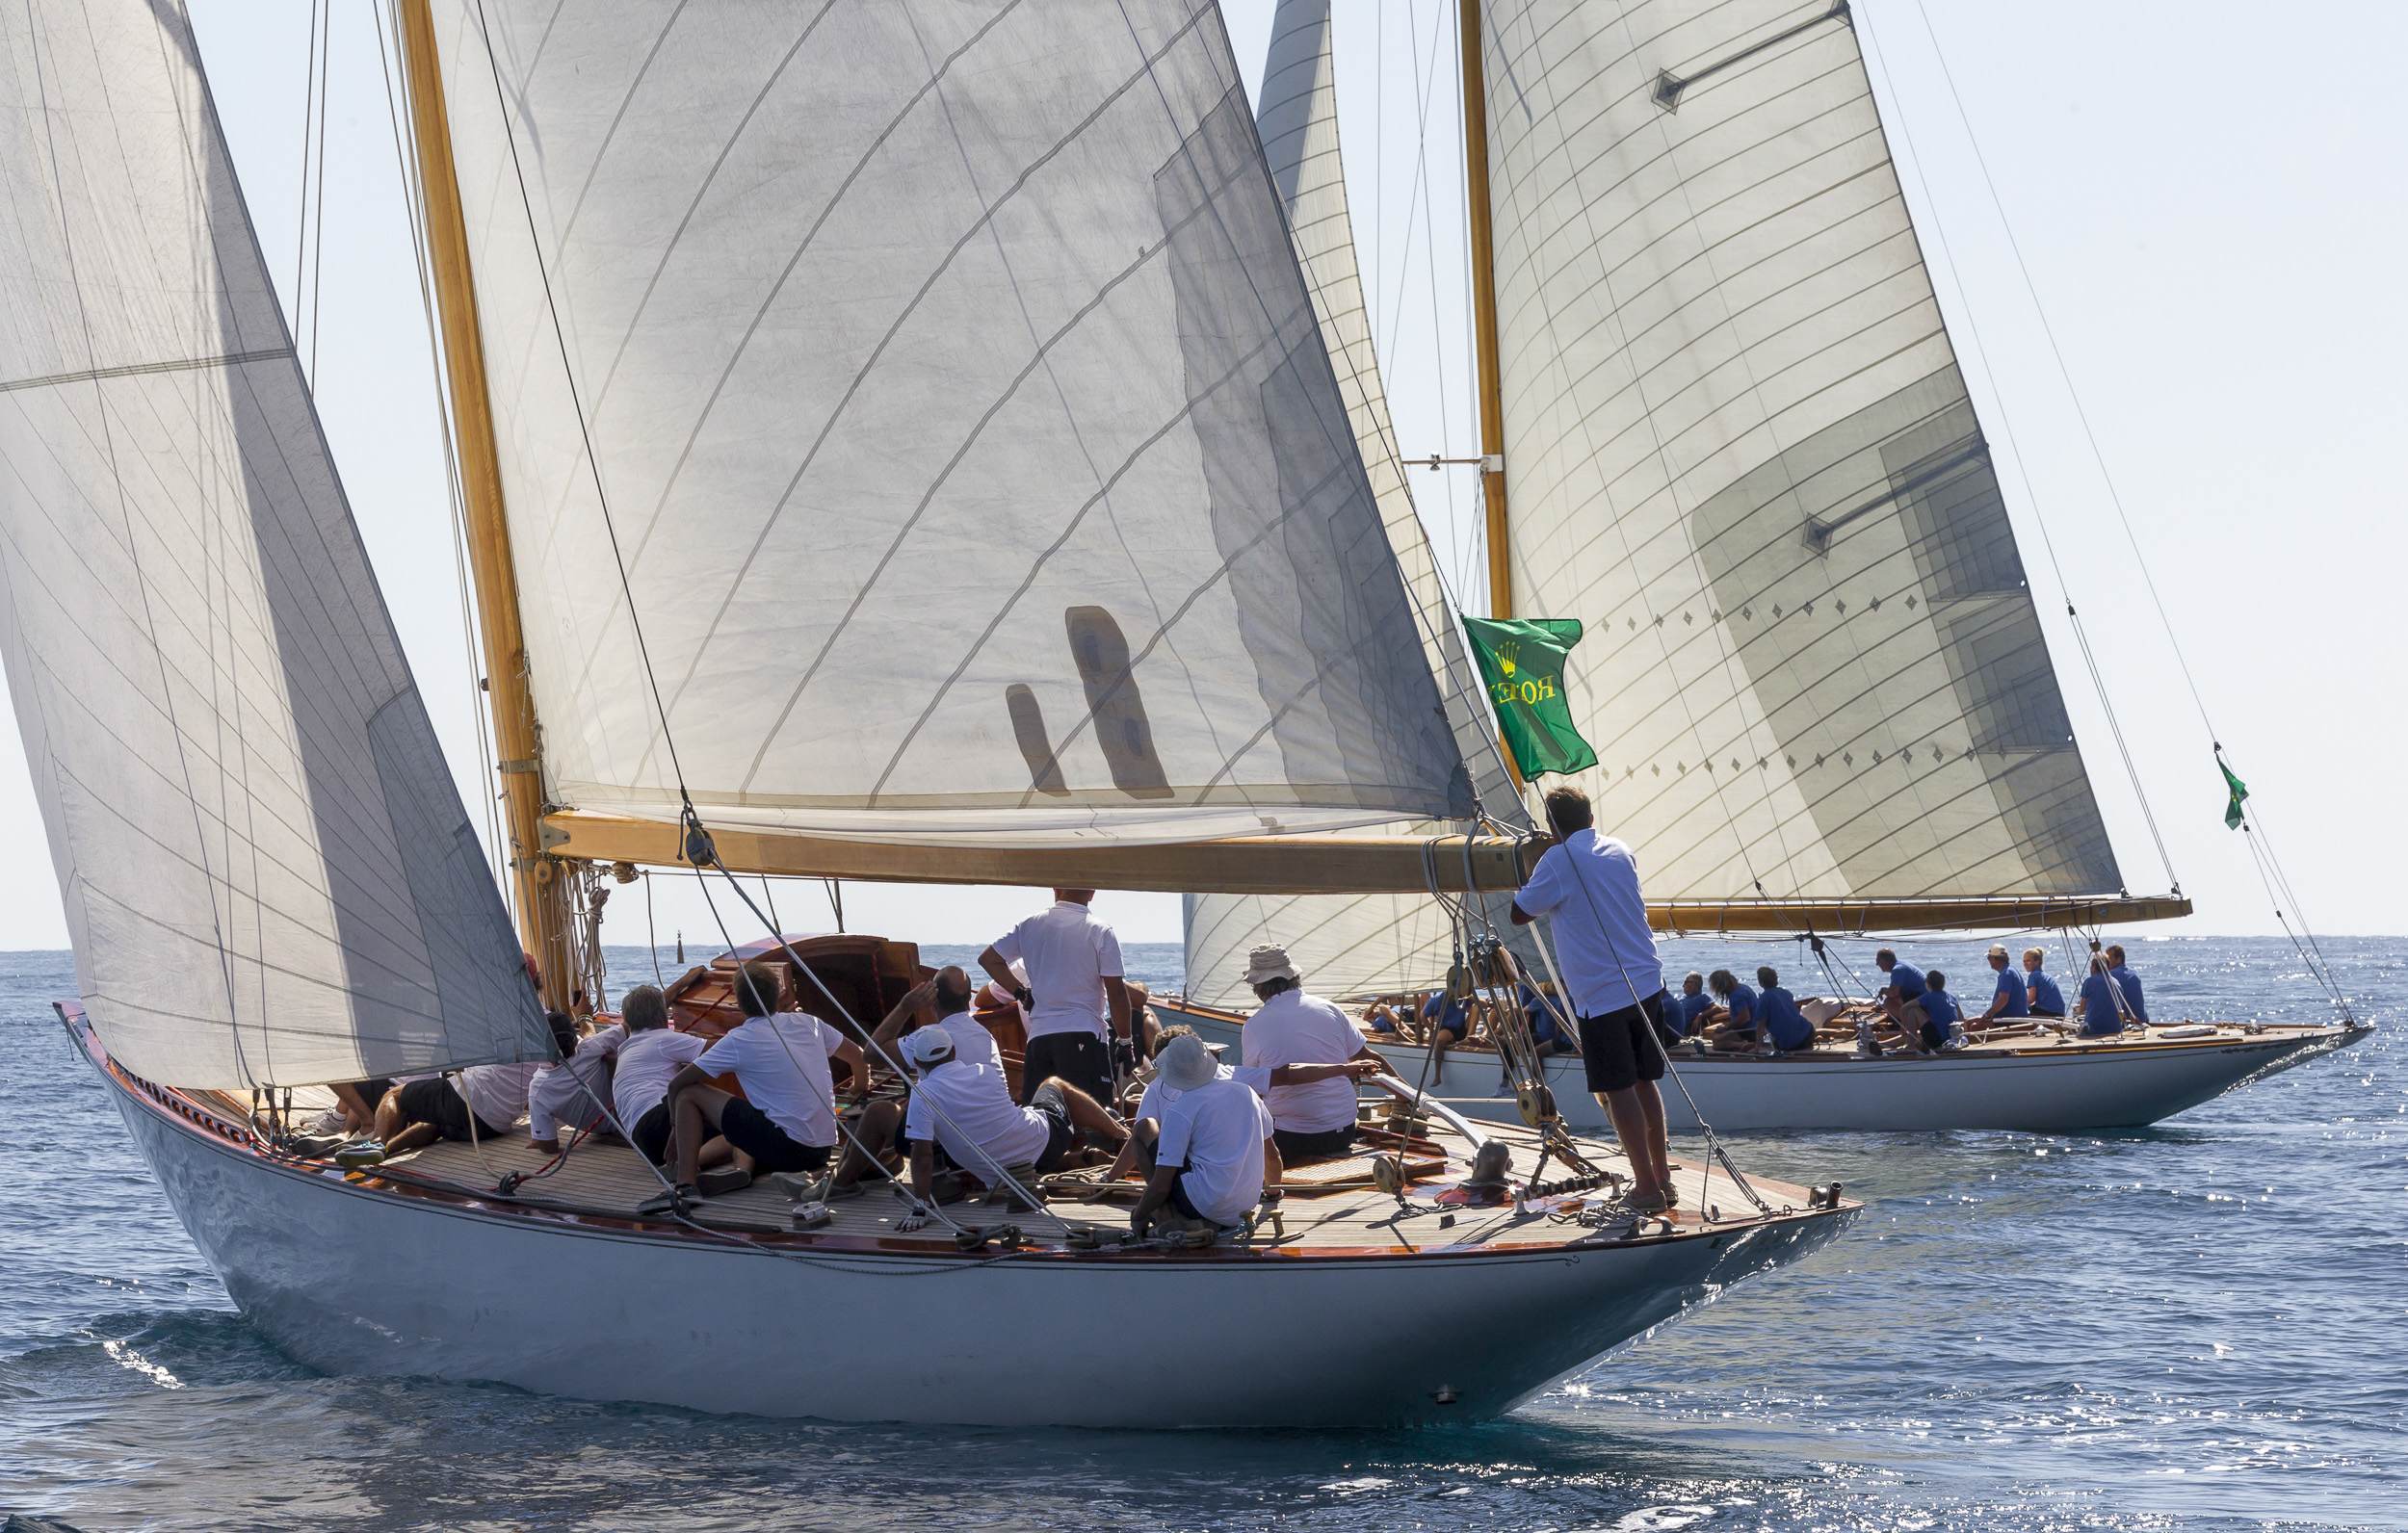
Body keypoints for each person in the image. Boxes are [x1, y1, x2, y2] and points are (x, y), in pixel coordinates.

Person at [1509, 786, 1675, 1213]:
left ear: (1551, 825)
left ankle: (1645, 1188)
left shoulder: (1557, 861)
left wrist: (1539, 857)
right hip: (1646, 981)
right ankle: (1661, 1177)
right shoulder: (1620, 849)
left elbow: (1520, 911)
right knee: (1645, 1082)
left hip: (1602, 995)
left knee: (1619, 1090)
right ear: (1590, 817)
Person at [659, 962, 866, 1199]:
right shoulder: (810, 1023)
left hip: (788, 1148)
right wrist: (859, 1088)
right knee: (754, 1115)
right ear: (778, 995)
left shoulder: (739, 1039)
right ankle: (743, 1169)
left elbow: (677, 1085)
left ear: (738, 1001)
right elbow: (859, 1057)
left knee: (689, 1094)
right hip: (822, 1150)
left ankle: (686, 1183)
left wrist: (675, 1134)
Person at [888, 1026, 1129, 1223]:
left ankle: (1082, 1155)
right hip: (1047, 1143)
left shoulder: (923, 1095)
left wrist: (921, 1205)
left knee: (1026, 1124)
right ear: (953, 1053)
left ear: (918, 1062)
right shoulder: (985, 1072)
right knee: (1054, 1084)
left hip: (1000, 1178)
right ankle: (1121, 1134)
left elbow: (921, 1155)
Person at [980, 889, 1131, 1105]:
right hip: (1084, 1036)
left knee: (1043, 1123)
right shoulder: (1101, 930)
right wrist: (1125, 1043)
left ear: (1055, 889)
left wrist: (1021, 993)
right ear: (1092, 893)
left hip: (1039, 1042)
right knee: (1096, 1124)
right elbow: (1116, 993)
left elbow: (989, 959)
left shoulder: (1029, 925)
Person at [1235, 944, 1385, 1162]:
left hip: (1290, 1138)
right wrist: (1410, 1097)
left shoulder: (1254, 1025)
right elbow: (1368, 1057)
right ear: (1293, 976)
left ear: (1258, 987)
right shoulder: (1330, 1008)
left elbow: (1253, 1087)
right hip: (1343, 1133)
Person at [1129, 1035, 1281, 1238]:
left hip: (1202, 1205)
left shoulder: (1181, 1108)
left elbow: (1161, 1185)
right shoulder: (1248, 1093)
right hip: (1243, 1208)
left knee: (1144, 1128)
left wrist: (1139, 1216)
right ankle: (1204, 1221)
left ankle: (1167, 1216)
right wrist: (1274, 1194)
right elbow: (1272, 1157)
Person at [610, 982, 710, 1166]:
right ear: (663, 1014)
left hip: (643, 1141)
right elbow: (720, 1051)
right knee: (735, 1125)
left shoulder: (627, 1047)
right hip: (659, 1119)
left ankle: (684, 1164)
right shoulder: (662, 1039)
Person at [374, 1054, 540, 1157]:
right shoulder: (548, 1029)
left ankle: (374, 1146)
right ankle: (387, 1150)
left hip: (469, 1097)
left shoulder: (500, 1017)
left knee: (394, 1096)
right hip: (494, 1126)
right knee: (436, 1121)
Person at [528, 1010, 624, 1152]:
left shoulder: (538, 1089)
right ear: (574, 1039)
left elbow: (549, 1146)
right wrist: (584, 1017)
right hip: (628, 1114)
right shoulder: (590, 1048)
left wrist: (539, 1140)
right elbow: (633, 1024)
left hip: (602, 1128)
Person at [1754, 966, 1816, 1052]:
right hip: (1808, 1033)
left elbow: (1761, 1025)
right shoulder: (1786, 993)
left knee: (1772, 1040)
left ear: (1760, 983)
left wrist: (1757, 1048)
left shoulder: (1764, 998)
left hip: (1792, 1043)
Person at [1420, 987, 1474, 1080]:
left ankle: (1469, 1038)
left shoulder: (1464, 997)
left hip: (1462, 1027)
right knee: (1440, 1040)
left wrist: (1472, 998)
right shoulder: (1436, 1000)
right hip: (1447, 1029)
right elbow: (1423, 1016)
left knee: (1476, 1008)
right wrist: (1432, 1031)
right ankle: (1437, 1075)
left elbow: (1482, 1005)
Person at [1874, 948, 1929, 1040]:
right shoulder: (1901, 965)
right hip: (1923, 999)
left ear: (1884, 961)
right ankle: (1910, 1021)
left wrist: (1884, 990)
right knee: (1889, 1002)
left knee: (1888, 1002)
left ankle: (1911, 1023)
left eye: (1878, 962)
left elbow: (1893, 993)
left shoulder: (1897, 970)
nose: (1878, 965)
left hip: (1924, 1004)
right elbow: (1898, 993)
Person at [1976, 944, 2030, 1030]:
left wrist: (1987, 1014)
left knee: (1973, 1025)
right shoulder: (2011, 970)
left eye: (1989, 958)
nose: (1988, 960)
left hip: (2010, 1020)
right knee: (1971, 1022)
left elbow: (2003, 1000)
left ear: (1996, 959)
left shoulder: (2006, 974)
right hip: (2017, 1016)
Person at [1702, 969, 1758, 1052]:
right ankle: (1743, 1043)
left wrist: (1727, 1027)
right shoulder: (1743, 988)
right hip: (1756, 1028)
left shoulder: (1737, 995)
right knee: (1717, 1035)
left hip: (1748, 1031)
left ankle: (1742, 1044)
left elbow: (1745, 1018)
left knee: (1716, 1042)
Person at [2076, 955, 2125, 1038]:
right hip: (2115, 1029)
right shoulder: (2116, 982)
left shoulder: (2089, 981)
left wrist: (2078, 1010)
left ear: (2094, 968)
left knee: (2074, 1032)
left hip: (2094, 1030)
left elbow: (2081, 1010)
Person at [2105, 945, 2149, 1025]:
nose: (2106, 962)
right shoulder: (2134, 973)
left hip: (2129, 1021)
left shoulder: (2110, 976)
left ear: (2118, 959)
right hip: (2143, 1019)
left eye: (2109, 959)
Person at [1918, 971, 1961, 1052]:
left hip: (1939, 1041)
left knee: (1913, 1010)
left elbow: (1905, 1007)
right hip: (1954, 1037)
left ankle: (1910, 1044)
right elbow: (1962, 1020)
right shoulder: (1952, 997)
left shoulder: (1927, 997)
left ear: (1928, 984)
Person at [2024, 948, 2066, 1018]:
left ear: (2037, 962)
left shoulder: (2033, 975)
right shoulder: (2045, 975)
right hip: (2060, 1012)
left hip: (2048, 1012)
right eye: (2024, 961)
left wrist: (2018, 1005)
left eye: (2028, 961)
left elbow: (2031, 999)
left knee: (2019, 1012)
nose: (2025, 964)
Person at [1671, 972, 1714, 1037]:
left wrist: (1700, 1016)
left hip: (1681, 1031)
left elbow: (1718, 1008)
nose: (1683, 985)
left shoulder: (1702, 997)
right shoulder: (1682, 997)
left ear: (1696, 984)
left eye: (1686, 982)